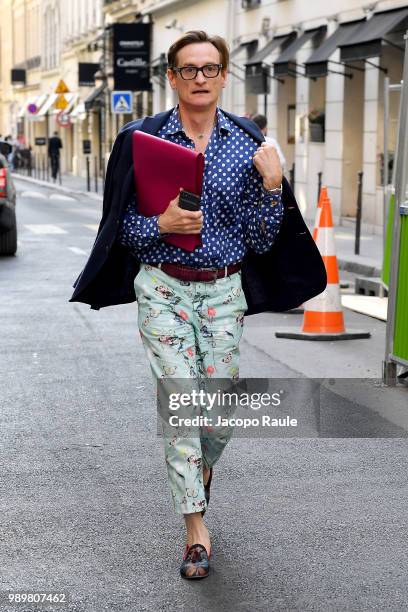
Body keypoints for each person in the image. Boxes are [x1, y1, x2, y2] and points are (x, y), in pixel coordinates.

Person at [69, 30, 326, 581]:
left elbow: (261, 239)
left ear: (224, 75)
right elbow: (120, 231)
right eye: (189, 69)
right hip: (162, 287)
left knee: (219, 411)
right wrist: (159, 224)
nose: (201, 78)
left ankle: (199, 470)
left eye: (210, 69)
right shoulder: (143, 140)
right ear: (173, 77)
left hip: (223, 291)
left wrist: (274, 187)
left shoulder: (247, 140)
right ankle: (194, 530)